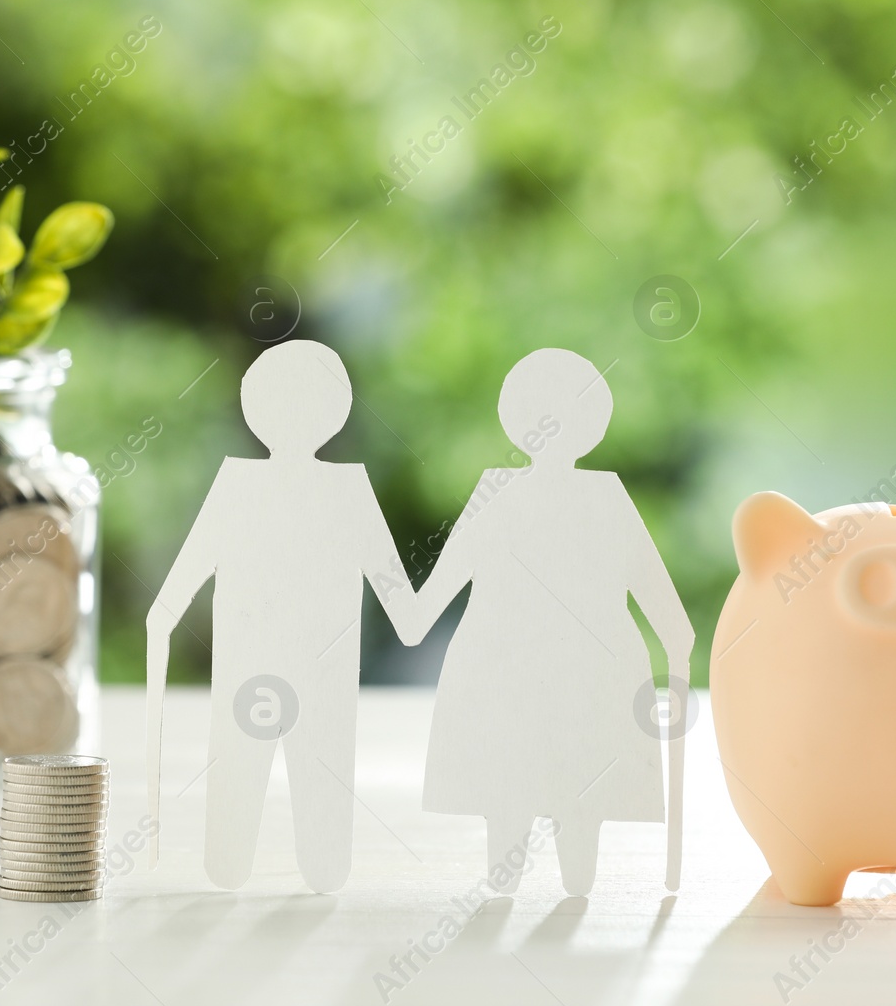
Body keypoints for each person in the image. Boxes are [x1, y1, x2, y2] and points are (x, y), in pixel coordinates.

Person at [411, 349, 693, 896]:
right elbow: (670, 616)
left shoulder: (499, 494)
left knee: (517, 790)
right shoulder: (606, 498)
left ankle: (525, 875)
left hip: (510, 669)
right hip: (581, 672)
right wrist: (677, 647)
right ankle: (566, 879)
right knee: (572, 796)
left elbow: (431, 600)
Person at [145, 340, 422, 893]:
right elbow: (406, 613)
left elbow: (168, 604)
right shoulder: (346, 490)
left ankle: (254, 867)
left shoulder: (240, 486)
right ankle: (290, 869)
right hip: (319, 679)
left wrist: (160, 628)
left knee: (244, 841)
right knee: (314, 855)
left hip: (261, 675)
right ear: (337, 412)